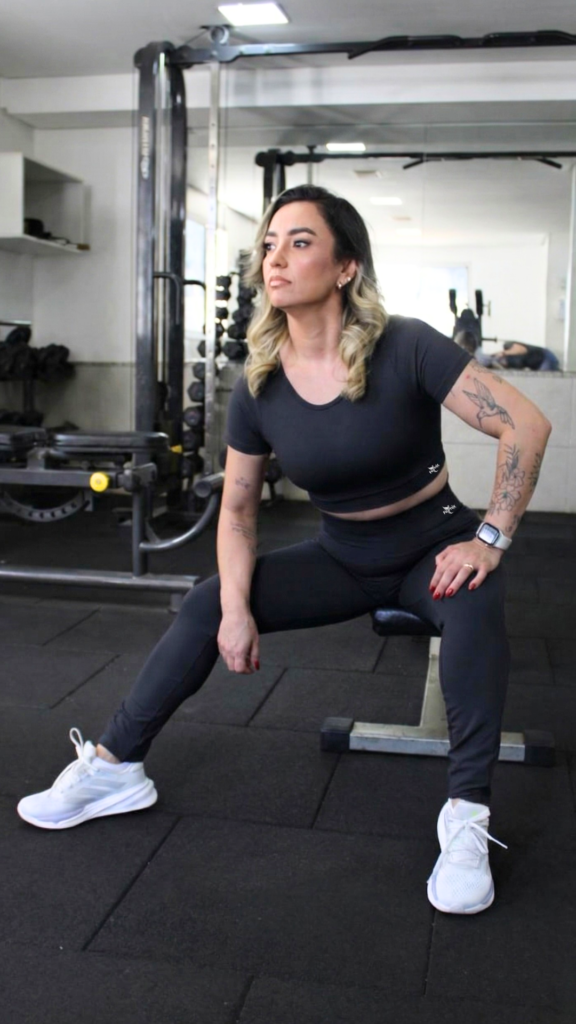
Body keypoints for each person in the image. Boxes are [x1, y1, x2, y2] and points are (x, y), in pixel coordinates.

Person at [17, 185, 552, 917]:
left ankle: (466, 816)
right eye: (269, 244)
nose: (275, 257)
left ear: (345, 267)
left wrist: (489, 537)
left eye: (300, 242)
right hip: (341, 555)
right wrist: (237, 610)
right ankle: (114, 768)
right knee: (206, 604)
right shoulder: (260, 383)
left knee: (475, 600)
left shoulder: (407, 344)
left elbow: (525, 423)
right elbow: (237, 511)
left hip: (432, 546)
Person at [493, 341, 561, 372]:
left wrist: (504, 353)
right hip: (537, 363)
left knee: (545, 379)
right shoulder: (512, 364)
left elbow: (522, 349)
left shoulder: (508, 346)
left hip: (545, 357)